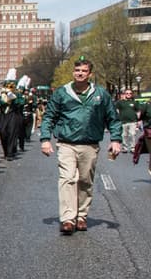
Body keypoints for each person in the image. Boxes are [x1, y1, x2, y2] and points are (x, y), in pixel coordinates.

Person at [39, 57, 121, 235]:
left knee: (85, 180)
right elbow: (49, 117)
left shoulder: (101, 94)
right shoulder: (62, 93)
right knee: (67, 179)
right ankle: (68, 218)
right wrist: (45, 139)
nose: (80, 73)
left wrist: (116, 139)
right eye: (77, 70)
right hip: (67, 143)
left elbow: (112, 118)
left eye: (84, 71)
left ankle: (81, 215)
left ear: (90, 74)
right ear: (73, 72)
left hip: (90, 144)